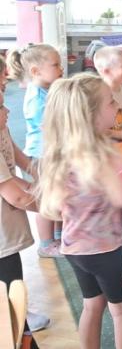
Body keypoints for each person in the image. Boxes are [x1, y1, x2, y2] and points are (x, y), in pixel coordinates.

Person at [38, 73, 122, 349]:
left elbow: (55, 207)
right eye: (110, 102)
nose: (117, 104)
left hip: (74, 248)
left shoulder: (59, 154)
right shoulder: (100, 157)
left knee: (92, 305)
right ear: (90, 116)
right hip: (106, 249)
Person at [8, 44, 64, 259]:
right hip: (42, 155)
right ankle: (46, 244)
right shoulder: (36, 97)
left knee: (58, 195)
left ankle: (58, 235)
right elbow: (48, 126)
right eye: (55, 65)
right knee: (46, 198)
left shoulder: (47, 90)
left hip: (53, 152)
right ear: (35, 71)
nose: (61, 69)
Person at [0, 70, 45, 337]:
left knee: (13, 292)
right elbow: (14, 195)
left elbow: (14, 162)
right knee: (10, 294)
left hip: (6, 236)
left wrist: (38, 178)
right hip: (1, 241)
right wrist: (57, 209)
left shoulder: (1, 126)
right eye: (0, 106)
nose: (8, 110)